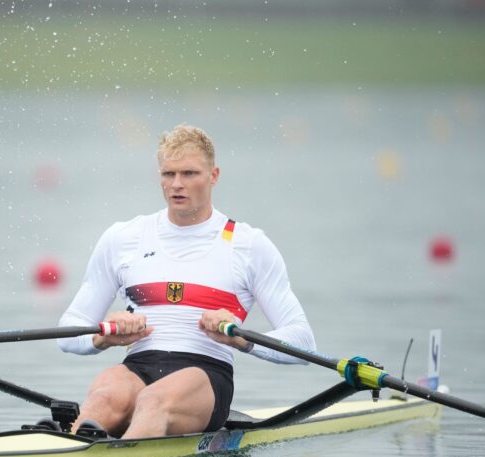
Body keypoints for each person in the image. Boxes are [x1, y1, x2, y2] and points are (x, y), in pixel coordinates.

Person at [57, 124, 315, 439]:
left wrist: (241, 339)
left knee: (153, 400)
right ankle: (77, 444)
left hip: (205, 375)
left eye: (190, 174)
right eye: (168, 174)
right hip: (138, 364)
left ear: (214, 175)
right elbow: (68, 331)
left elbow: (303, 341)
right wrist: (103, 337)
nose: (176, 185)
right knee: (104, 396)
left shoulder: (248, 245)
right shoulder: (123, 237)